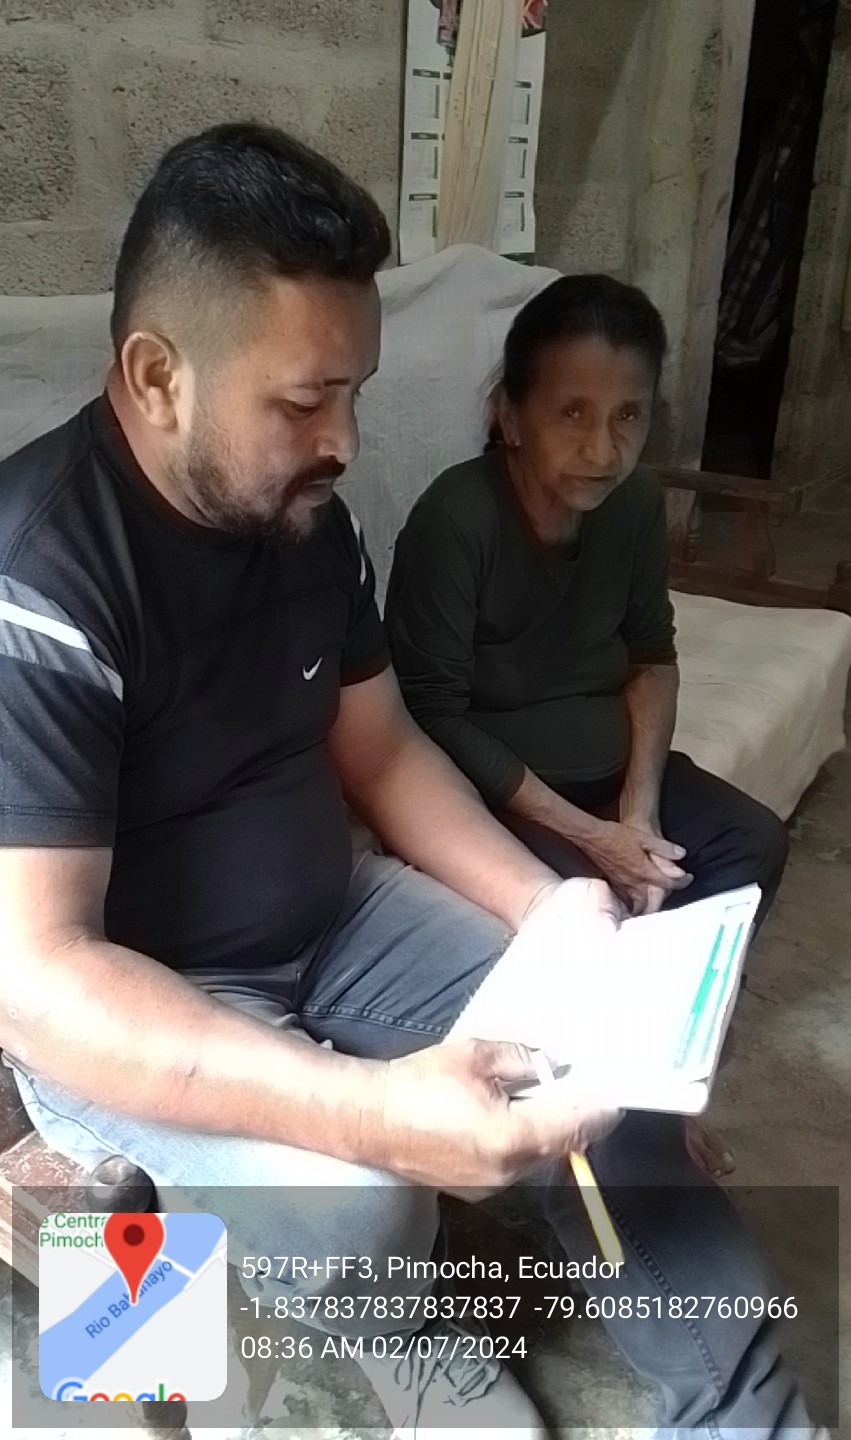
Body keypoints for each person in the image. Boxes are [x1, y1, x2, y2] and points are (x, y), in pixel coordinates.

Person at [0, 126, 820, 1440]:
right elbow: (41, 979)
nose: (341, 439)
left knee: (603, 1045)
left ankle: (746, 1415)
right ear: (156, 377)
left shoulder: (304, 521)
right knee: (365, 1208)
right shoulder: (40, 580)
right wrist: (370, 1111)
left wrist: (546, 908)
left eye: (356, 394)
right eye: (302, 402)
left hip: (334, 917)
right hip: (134, 1000)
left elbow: (379, 752)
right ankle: (379, 1335)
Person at [385, 274, 790, 1177]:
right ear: (509, 415)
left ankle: (666, 1088)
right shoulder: (456, 521)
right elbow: (431, 715)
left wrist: (637, 812)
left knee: (747, 845)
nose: (603, 449)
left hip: (610, 781)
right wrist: (592, 837)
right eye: (571, 413)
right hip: (494, 795)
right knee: (595, 910)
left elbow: (651, 656)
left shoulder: (633, 506)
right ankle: (609, 1131)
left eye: (627, 416)